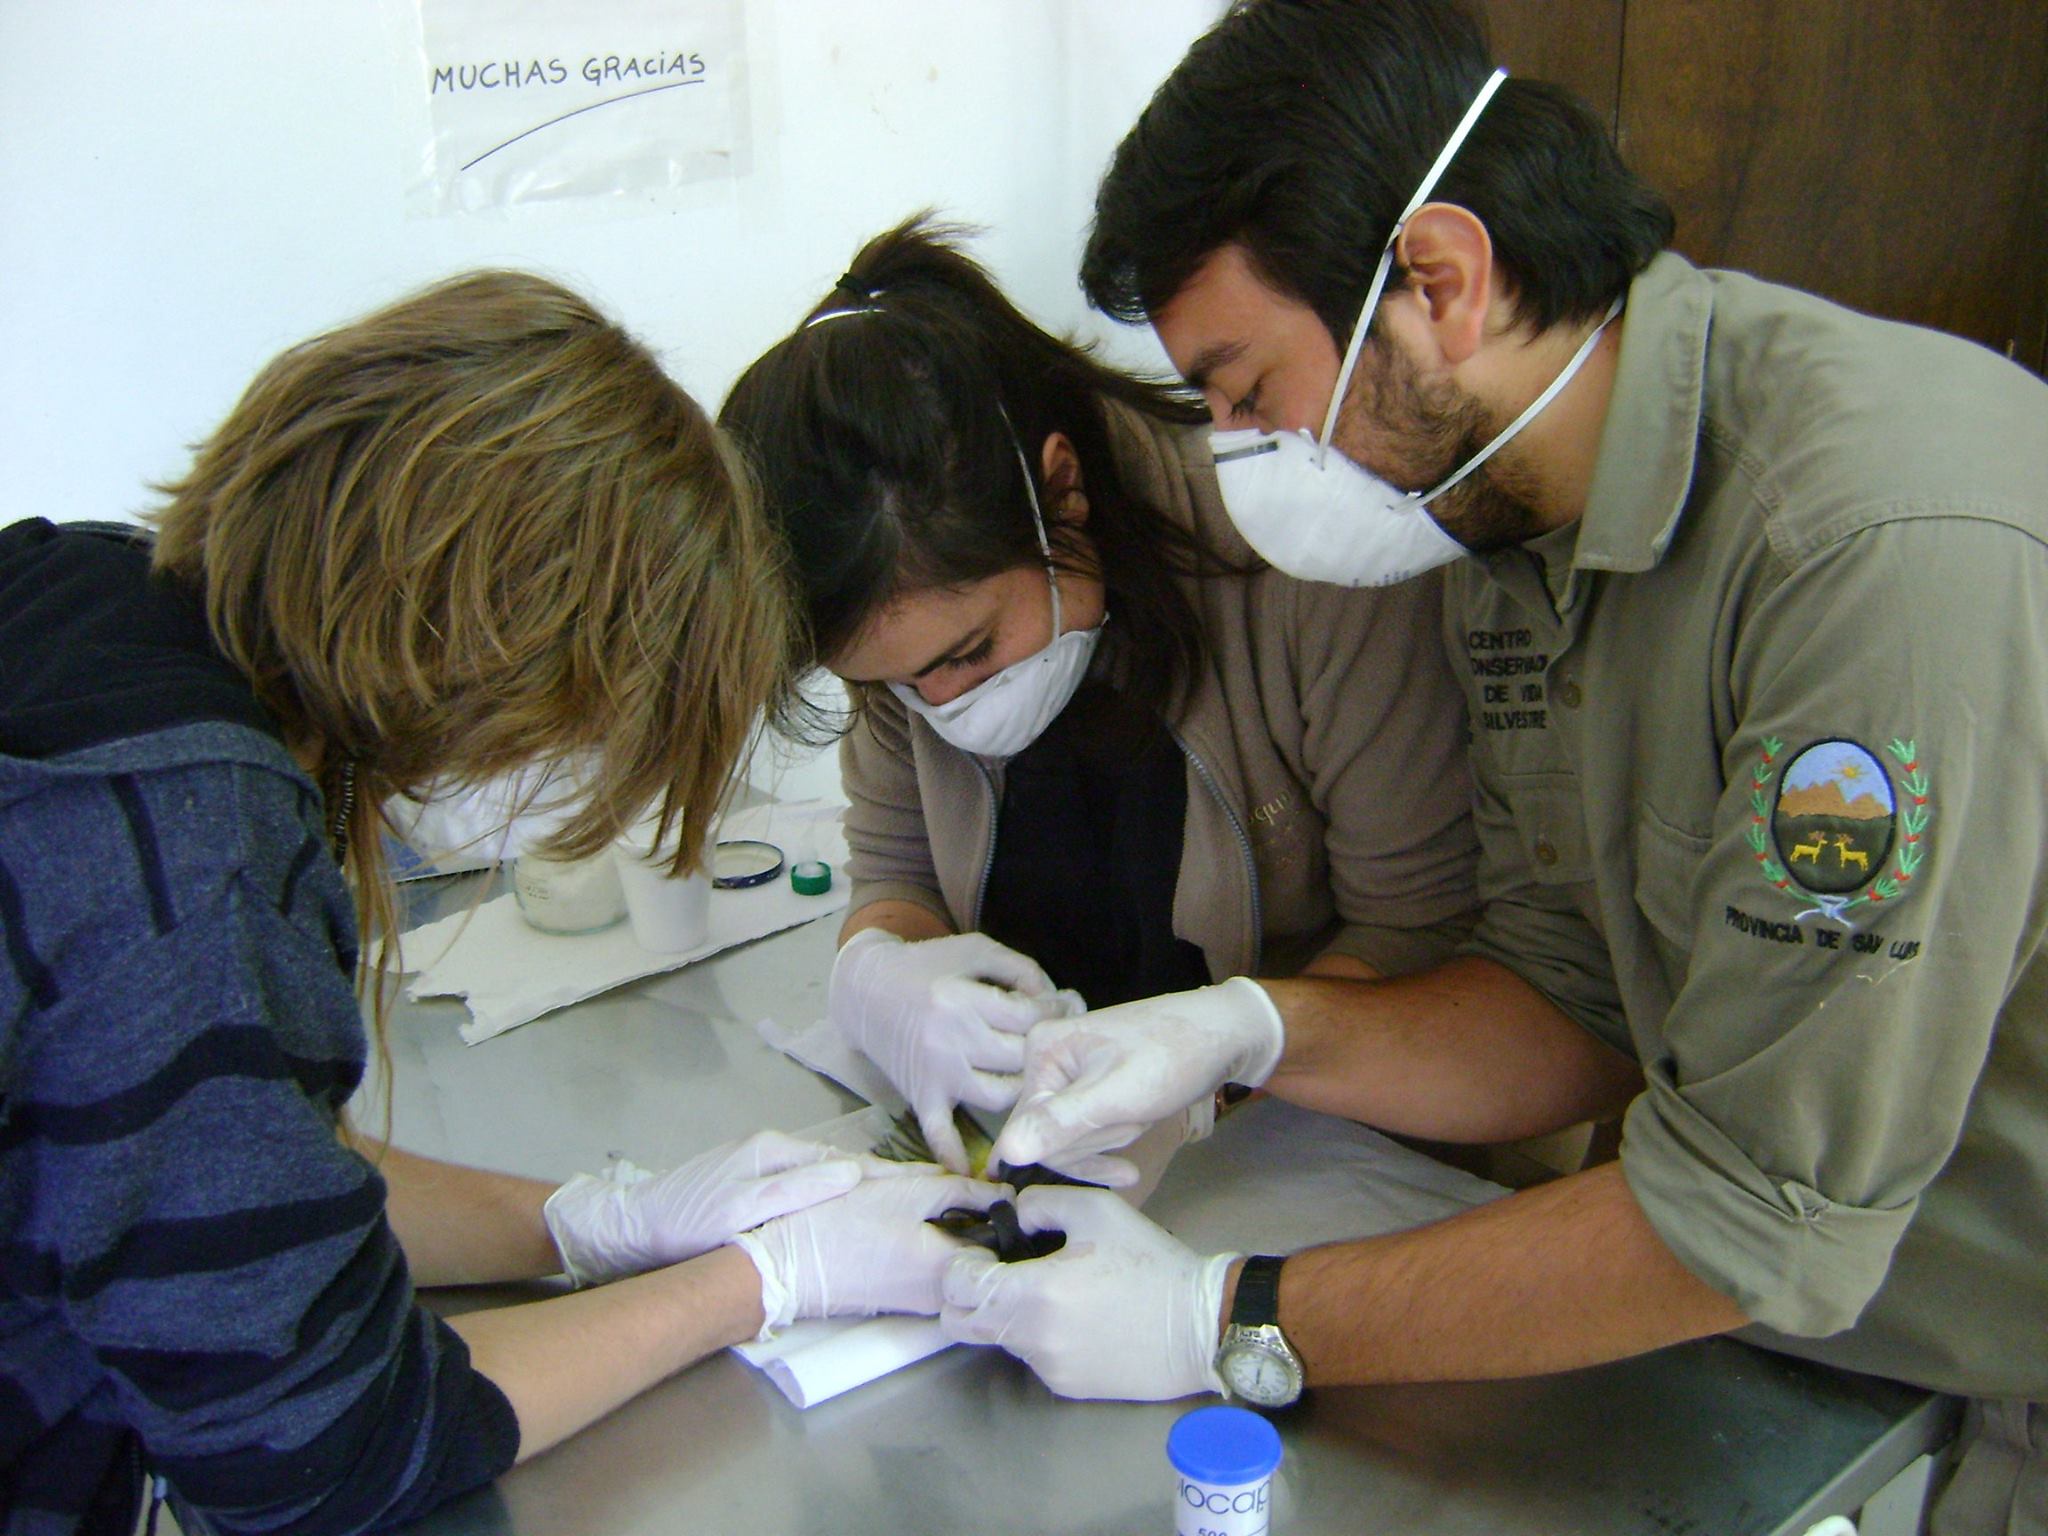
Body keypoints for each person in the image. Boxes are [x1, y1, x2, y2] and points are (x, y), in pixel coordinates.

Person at [934, 4, 2048, 1532]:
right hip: (1782, 1338)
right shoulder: (1499, 517)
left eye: (1250, 392)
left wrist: (1231, 1318)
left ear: (1442, 281)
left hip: (1983, 1374)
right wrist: (1250, 1033)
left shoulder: (1870, 558)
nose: (1245, 456)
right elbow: (1569, 992)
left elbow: (1755, 1218)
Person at [0, 272, 989, 1535]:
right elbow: (327, 1452)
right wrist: (758, 1283)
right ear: (495, 641)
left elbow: (221, 1183)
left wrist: (590, 1221)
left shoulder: (89, 600)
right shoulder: (179, 834)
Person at [718, 217, 1479, 1176]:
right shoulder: (891, 623)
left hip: (1314, 1137)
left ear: (1063, 491)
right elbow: (898, 874)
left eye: (969, 651)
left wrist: (1217, 1073)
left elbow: (1420, 930)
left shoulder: (1299, 565)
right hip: (1049, 1129)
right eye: (895, 685)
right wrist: (881, 973)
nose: (942, 703)